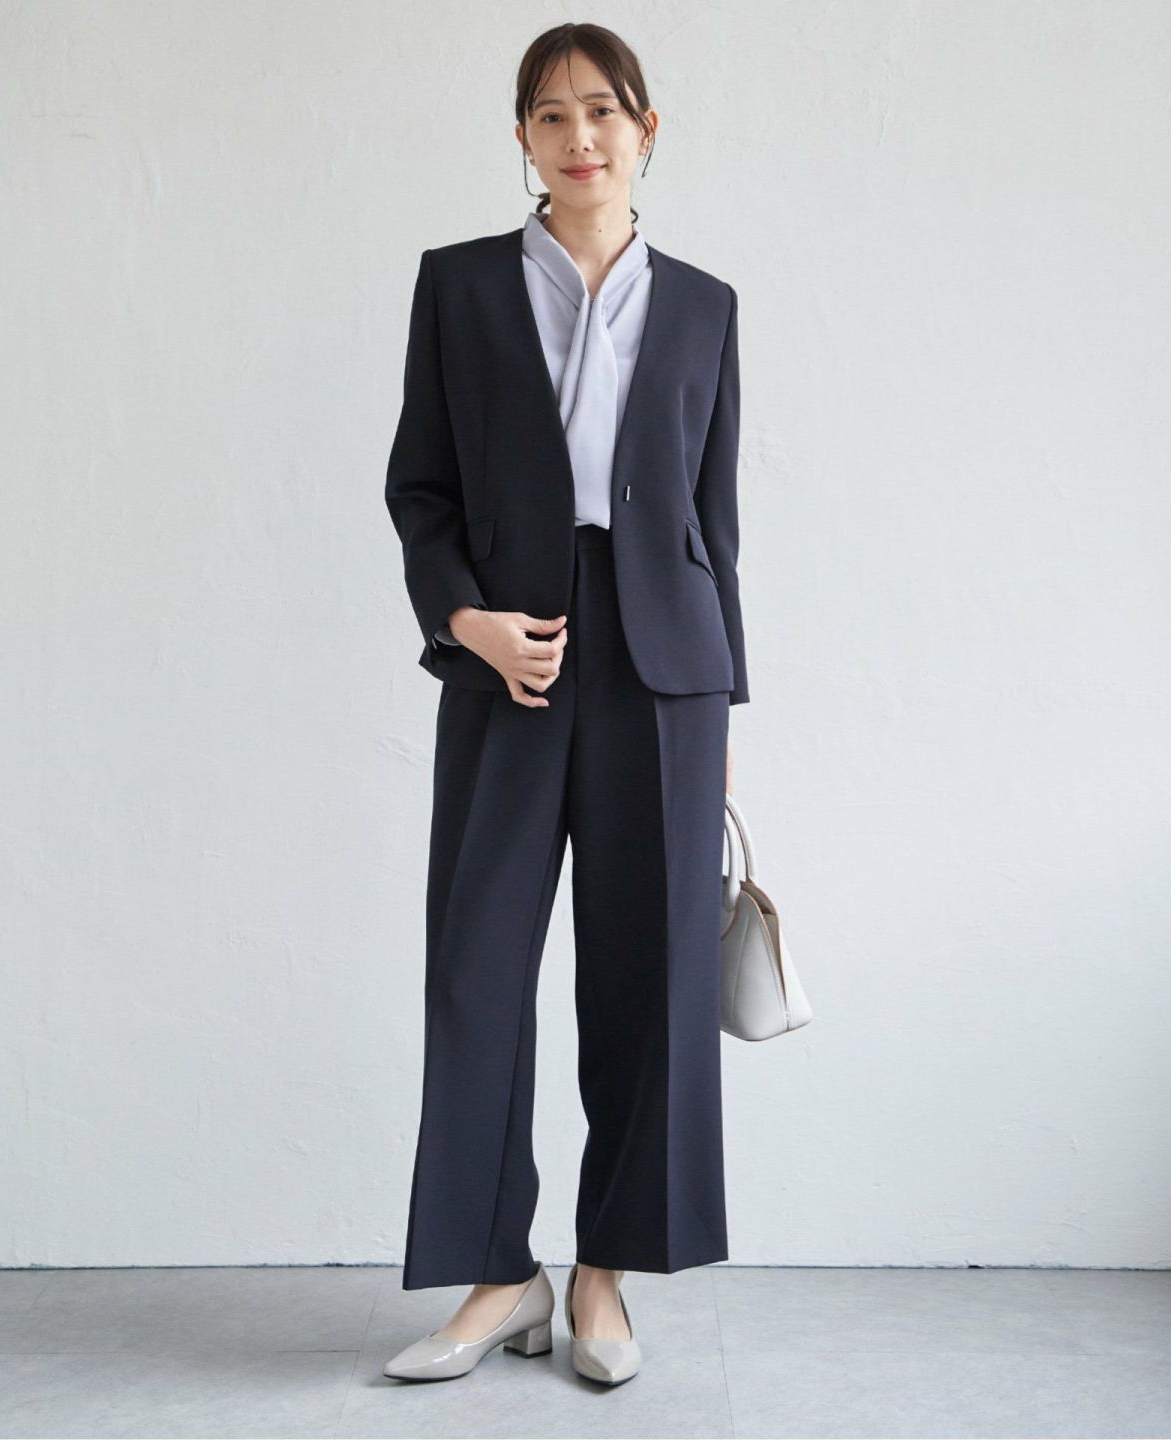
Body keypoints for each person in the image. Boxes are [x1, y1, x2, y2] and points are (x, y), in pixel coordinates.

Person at [382, 21, 749, 1387]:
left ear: (647, 131)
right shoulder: (462, 286)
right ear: (524, 139)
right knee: (477, 965)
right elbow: (421, 487)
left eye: (604, 111)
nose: (580, 136)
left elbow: (716, 521)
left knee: (650, 970)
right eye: (551, 115)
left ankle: (604, 1274)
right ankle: (500, 1275)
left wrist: (725, 712)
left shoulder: (704, 306)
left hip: (666, 670)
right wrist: (464, 620)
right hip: (509, 657)